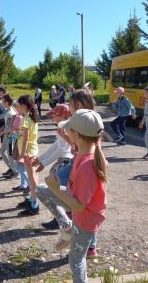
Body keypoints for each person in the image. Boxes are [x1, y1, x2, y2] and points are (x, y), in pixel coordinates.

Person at [39, 109, 107, 283]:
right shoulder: (84, 152)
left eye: (68, 129)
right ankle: (67, 227)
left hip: (85, 218)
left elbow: (79, 206)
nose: (66, 131)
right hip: (76, 204)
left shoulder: (86, 165)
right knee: (40, 190)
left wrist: (55, 188)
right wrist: (54, 188)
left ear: (76, 134)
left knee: (76, 260)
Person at [32, 104, 72, 227]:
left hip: (65, 161)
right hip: (63, 161)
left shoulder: (65, 128)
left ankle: (61, 220)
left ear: (61, 116)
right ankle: (61, 219)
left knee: (56, 191)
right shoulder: (63, 127)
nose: (52, 117)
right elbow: (55, 146)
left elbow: (60, 149)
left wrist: (43, 163)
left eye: (54, 115)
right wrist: (41, 158)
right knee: (57, 190)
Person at [16, 95, 40, 216]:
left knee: (32, 179)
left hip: (28, 153)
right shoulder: (30, 117)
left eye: (18, 105)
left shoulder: (25, 120)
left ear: (23, 106)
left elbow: (25, 139)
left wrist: (21, 155)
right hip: (32, 151)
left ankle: (35, 205)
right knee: (33, 177)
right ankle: (32, 199)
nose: (17, 107)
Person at [10, 101, 31, 193]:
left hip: (19, 143)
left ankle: (30, 184)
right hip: (21, 142)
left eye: (17, 106)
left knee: (18, 166)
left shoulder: (18, 117)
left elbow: (11, 130)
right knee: (21, 166)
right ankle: (23, 185)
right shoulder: (24, 117)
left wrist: (12, 120)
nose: (15, 108)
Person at [0, 93, 18, 179]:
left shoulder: (11, 113)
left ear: (7, 102)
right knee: (2, 152)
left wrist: (1, 133)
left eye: (2, 101)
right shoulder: (8, 111)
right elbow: (7, 124)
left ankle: (15, 171)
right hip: (6, 135)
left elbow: (10, 127)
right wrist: (1, 129)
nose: (1, 103)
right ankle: (11, 168)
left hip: (10, 136)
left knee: (10, 154)